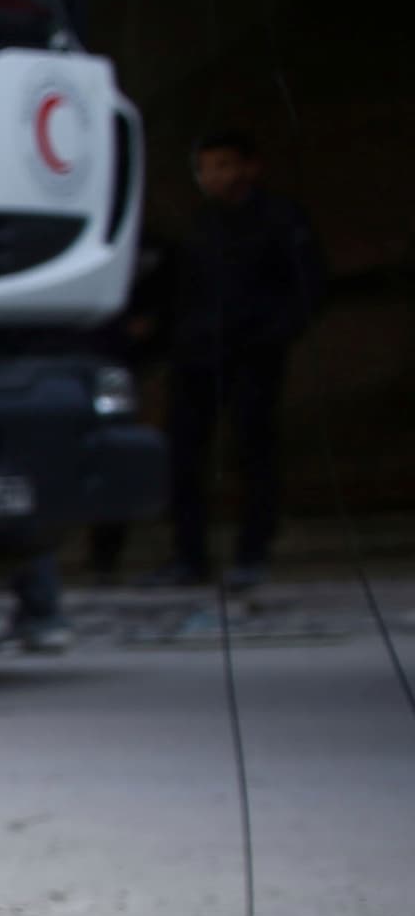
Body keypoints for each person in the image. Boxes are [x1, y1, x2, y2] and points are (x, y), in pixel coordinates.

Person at [158, 129, 326, 590]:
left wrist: (272, 336)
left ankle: (253, 553)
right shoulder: (198, 225)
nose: (214, 177)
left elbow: (307, 286)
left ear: (250, 167)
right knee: (184, 456)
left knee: (254, 451)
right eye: (205, 168)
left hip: (253, 355)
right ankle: (189, 556)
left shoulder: (280, 219)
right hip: (196, 359)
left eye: (224, 165)